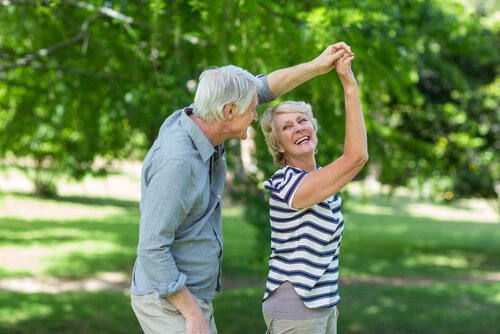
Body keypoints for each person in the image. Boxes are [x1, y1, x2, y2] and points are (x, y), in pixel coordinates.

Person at [130, 42, 353, 334]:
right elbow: (151, 248)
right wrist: (192, 313)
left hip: (190, 294)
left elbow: (263, 88)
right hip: (167, 299)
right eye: (250, 109)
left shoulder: (204, 120)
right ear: (229, 110)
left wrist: (316, 65)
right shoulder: (179, 161)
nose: (255, 114)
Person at [259, 45, 368, 334]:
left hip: (324, 305)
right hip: (296, 309)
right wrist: (348, 83)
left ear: (313, 128)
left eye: (302, 120)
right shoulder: (285, 182)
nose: (297, 128)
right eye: (286, 127)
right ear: (278, 145)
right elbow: (356, 157)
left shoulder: (322, 178)